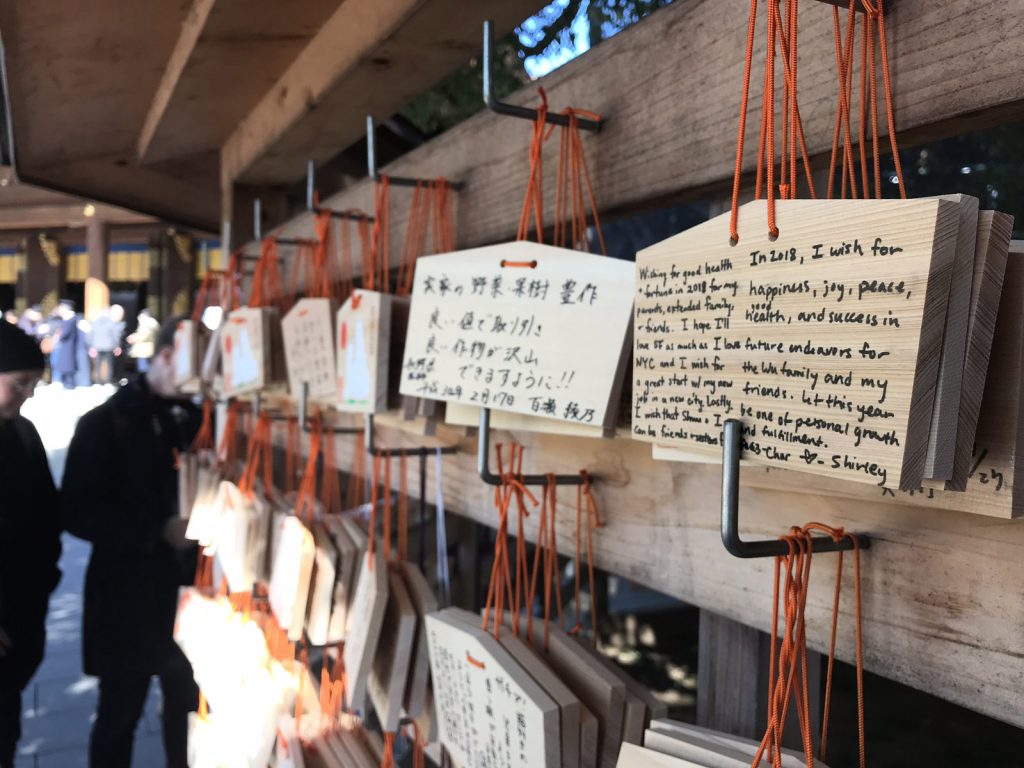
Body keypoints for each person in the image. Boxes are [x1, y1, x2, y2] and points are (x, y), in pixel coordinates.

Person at [62, 317, 201, 768]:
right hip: (126, 595)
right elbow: (77, 512)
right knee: (120, 713)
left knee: (190, 709)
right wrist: (156, 532)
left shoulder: (196, 420)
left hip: (189, 595)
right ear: (165, 356)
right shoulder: (104, 423)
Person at [0, 322, 62, 768]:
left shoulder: (24, 433)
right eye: (19, 384)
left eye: (34, 385)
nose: (28, 395)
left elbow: (46, 513)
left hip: (22, 611)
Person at [88, 305, 125, 385]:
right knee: (109, 365)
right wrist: (117, 346)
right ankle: (108, 382)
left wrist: (91, 346)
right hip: (109, 346)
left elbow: (90, 335)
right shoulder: (111, 322)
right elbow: (115, 335)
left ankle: (97, 382)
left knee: (98, 365)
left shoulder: (95, 322)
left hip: (97, 346)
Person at [50, 300, 81, 389]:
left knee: (68, 363)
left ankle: (69, 383)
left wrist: (58, 337)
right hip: (66, 345)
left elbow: (65, 333)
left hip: (68, 345)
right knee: (64, 363)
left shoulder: (70, 318)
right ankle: (65, 383)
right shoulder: (67, 318)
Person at [126, 308, 158, 374]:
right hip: (147, 350)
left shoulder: (147, 324)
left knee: (143, 370)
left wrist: (132, 338)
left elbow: (143, 336)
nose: (138, 318)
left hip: (144, 351)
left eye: (140, 316)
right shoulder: (151, 324)